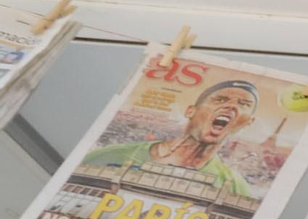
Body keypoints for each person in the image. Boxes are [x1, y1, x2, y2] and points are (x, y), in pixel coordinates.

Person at [81, 80, 258, 197]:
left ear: (249, 122)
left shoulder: (236, 187)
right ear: (190, 111)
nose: (231, 106)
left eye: (243, 104)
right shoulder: (111, 156)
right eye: (219, 100)